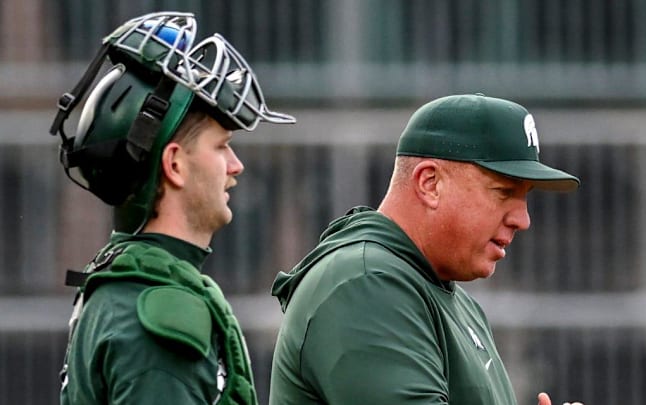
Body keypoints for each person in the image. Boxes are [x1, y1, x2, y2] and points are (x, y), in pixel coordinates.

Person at [269, 94, 584, 405]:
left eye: (525, 196)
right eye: (503, 191)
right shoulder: (365, 283)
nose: (523, 219)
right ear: (430, 183)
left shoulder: (451, 299)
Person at [50, 11, 295, 405]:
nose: (236, 166)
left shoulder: (122, 286)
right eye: (221, 146)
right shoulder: (160, 317)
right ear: (175, 163)